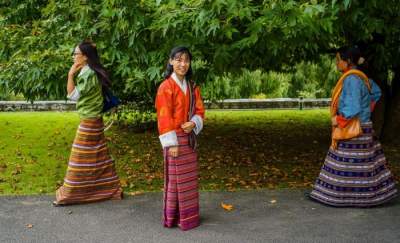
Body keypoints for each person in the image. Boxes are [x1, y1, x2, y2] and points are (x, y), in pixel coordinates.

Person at [309, 46, 397, 207]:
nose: (336, 63)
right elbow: (376, 92)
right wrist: (366, 110)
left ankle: (339, 197)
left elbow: (353, 107)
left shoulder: (351, 79)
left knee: (343, 163)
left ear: (348, 61)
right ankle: (366, 198)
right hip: (365, 127)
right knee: (364, 164)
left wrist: (338, 120)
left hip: (353, 127)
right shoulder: (361, 77)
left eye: (338, 60)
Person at [53, 41, 122, 206]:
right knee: (98, 157)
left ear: (85, 57)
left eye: (76, 53)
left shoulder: (88, 74)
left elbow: (73, 95)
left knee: (79, 158)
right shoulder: (88, 71)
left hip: (90, 121)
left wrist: (70, 75)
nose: (73, 56)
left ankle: (70, 195)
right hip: (93, 119)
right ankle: (109, 190)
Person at [155, 46, 205, 230]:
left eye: (186, 60)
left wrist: (193, 123)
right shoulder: (165, 87)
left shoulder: (193, 87)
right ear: (171, 61)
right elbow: (163, 116)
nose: (182, 64)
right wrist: (171, 144)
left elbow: (200, 110)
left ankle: (188, 217)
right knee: (175, 181)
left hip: (189, 140)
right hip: (174, 140)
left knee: (188, 181)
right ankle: (173, 217)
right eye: (178, 60)